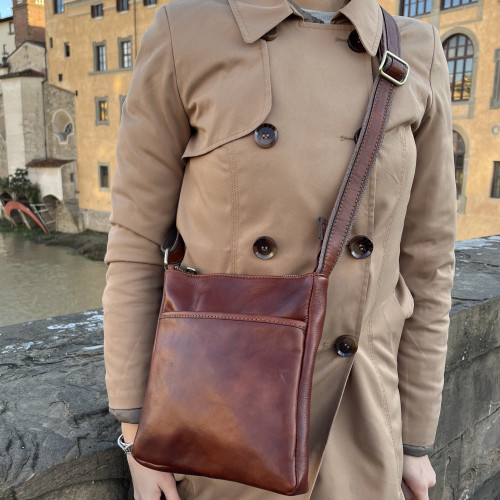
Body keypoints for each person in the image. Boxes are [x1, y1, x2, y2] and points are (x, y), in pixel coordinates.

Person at [102, 0, 457, 499]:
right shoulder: (186, 31)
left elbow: (429, 262)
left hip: (362, 427)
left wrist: (415, 443)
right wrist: (139, 434)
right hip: (220, 427)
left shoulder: (416, 51)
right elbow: (137, 241)